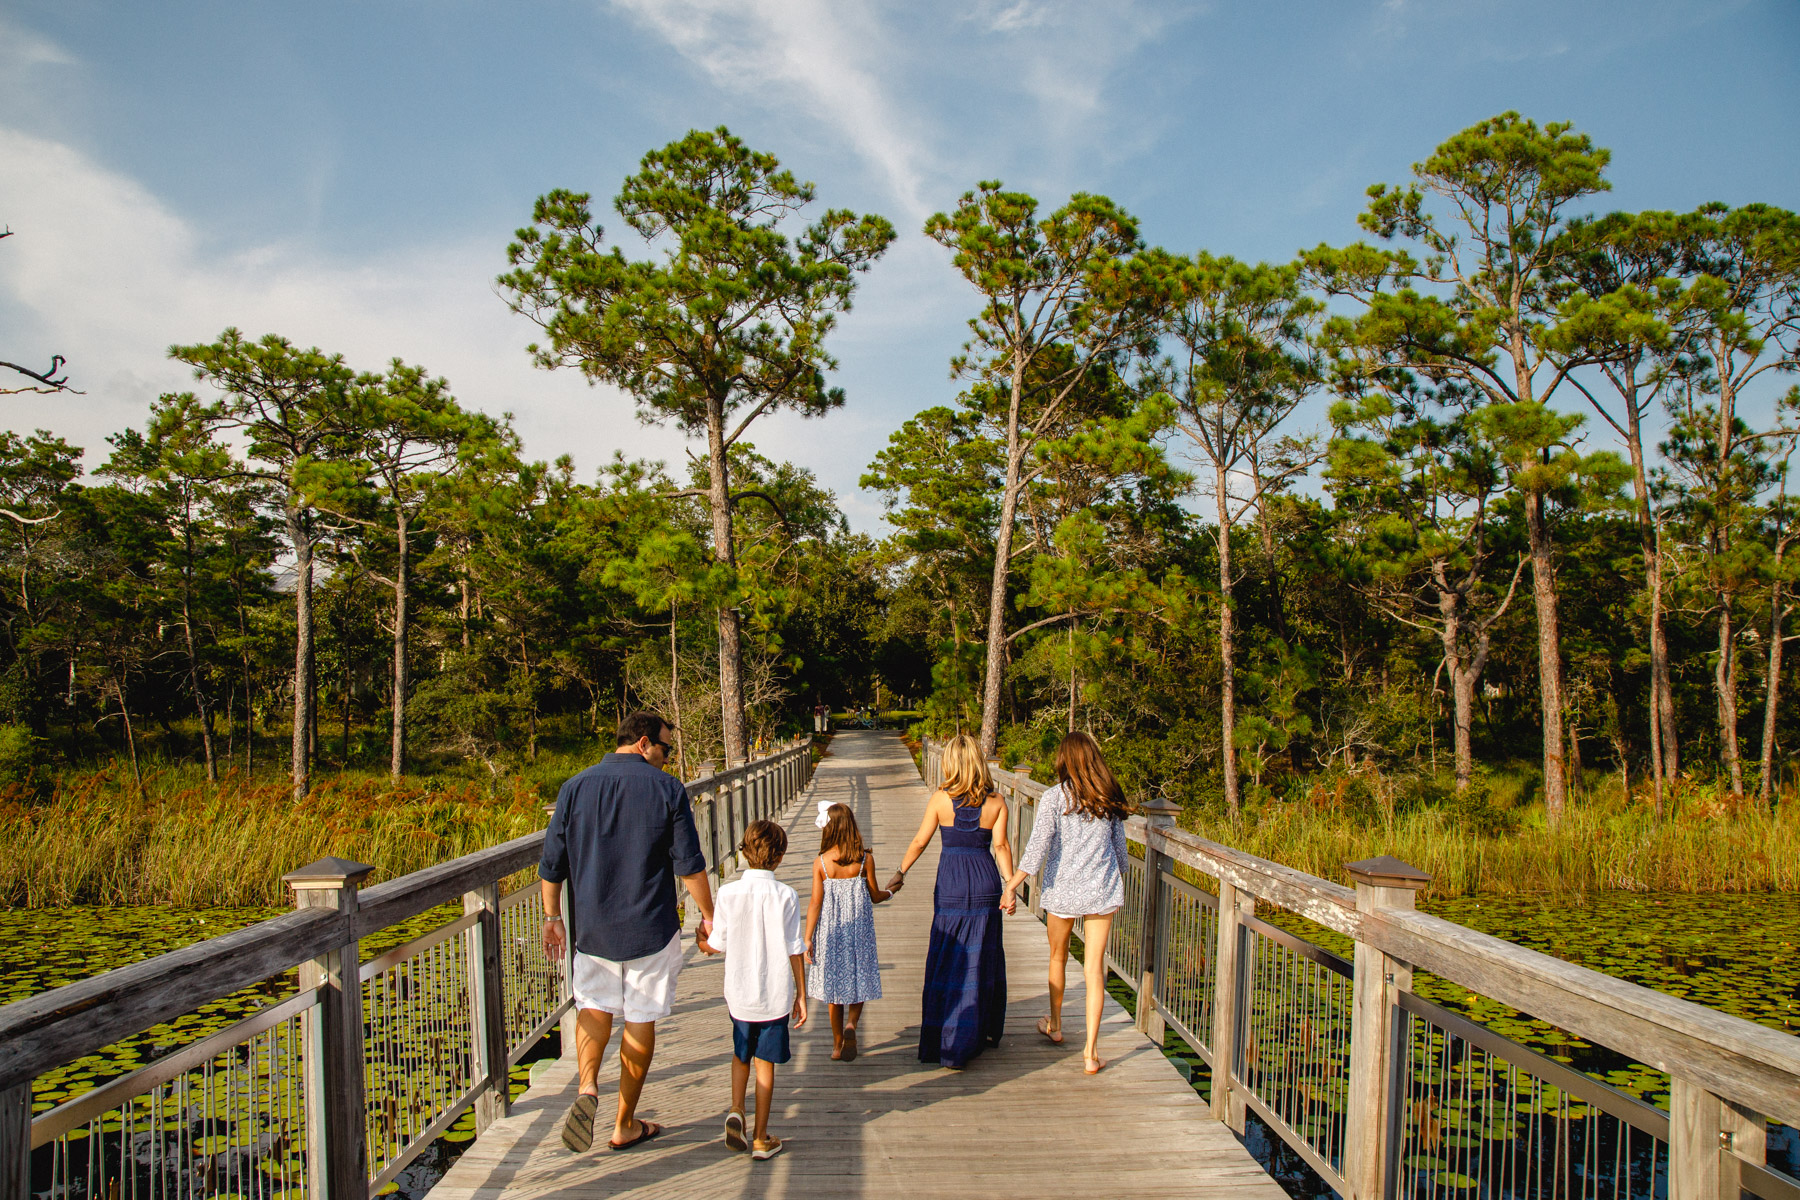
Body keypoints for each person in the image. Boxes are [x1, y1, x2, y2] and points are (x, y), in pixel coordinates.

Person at [539, 711, 716, 1154]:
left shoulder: (574, 788)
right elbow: (689, 864)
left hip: (592, 930)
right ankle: (624, 1124)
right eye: (665, 748)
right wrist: (710, 916)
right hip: (650, 929)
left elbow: (551, 864)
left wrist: (551, 917)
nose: (667, 758)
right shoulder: (667, 789)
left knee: (595, 1007)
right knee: (639, 1018)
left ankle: (586, 1089)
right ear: (643, 743)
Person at [1000, 731, 1132, 1075]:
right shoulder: (1107, 798)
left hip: (1062, 892)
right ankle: (1090, 1053)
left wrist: (1012, 885)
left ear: (1064, 760)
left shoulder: (1055, 798)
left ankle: (1056, 1025)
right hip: (1101, 893)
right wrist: (1119, 880)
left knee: (1057, 956)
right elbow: (1121, 853)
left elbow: (1037, 848)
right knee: (1094, 970)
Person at [888, 733, 1014, 1068]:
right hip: (986, 882)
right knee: (981, 959)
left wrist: (900, 872)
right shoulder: (997, 802)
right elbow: (1000, 847)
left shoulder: (941, 799)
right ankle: (977, 1034)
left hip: (952, 885)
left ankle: (945, 1038)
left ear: (950, 764)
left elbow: (919, 841)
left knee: (949, 957)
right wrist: (1010, 885)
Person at [712, 819, 808, 1161]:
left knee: (741, 1057)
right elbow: (795, 947)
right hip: (774, 995)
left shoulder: (727, 893)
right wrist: (801, 994)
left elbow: (717, 943)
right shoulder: (787, 895)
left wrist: (702, 942)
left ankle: (737, 1108)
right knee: (765, 1065)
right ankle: (760, 1138)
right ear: (779, 857)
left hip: (739, 996)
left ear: (744, 850)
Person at [804, 802, 894, 1062]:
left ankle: (836, 1045)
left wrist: (808, 937)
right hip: (859, 929)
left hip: (832, 931)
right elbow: (875, 896)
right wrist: (890, 891)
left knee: (834, 988)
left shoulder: (821, 863)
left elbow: (815, 903)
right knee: (859, 977)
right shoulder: (865, 859)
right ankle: (852, 1024)